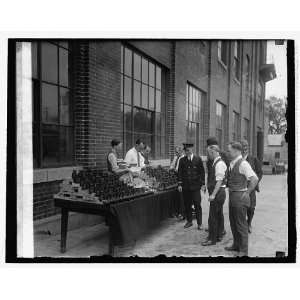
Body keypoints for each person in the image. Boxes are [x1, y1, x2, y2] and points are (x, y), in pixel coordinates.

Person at [225, 141, 258, 257]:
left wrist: (247, 192)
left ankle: (243, 251)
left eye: (229, 151)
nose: (228, 153)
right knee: (233, 223)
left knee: (241, 225)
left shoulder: (243, 164)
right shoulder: (232, 163)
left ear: (236, 151)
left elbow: (254, 179)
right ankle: (236, 245)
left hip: (240, 197)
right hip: (233, 196)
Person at [202, 144, 227, 246]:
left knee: (213, 217)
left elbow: (219, 181)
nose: (208, 155)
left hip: (218, 193)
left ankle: (212, 239)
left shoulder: (219, 164)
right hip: (218, 193)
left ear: (213, 152)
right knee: (217, 215)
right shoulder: (216, 162)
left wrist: (213, 195)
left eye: (208, 153)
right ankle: (218, 235)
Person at [178, 143, 206, 230]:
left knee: (197, 204)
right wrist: (179, 184)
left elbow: (202, 172)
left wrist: (203, 184)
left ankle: (199, 223)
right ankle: (189, 221)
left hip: (196, 187)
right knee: (187, 204)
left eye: (188, 150)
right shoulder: (182, 160)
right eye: (186, 151)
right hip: (186, 187)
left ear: (191, 150)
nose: (187, 152)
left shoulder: (198, 159)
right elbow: (180, 173)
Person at [240, 139, 263, 233]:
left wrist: (255, 183)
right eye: (243, 147)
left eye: (246, 146)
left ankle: (249, 223)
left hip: (251, 187)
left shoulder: (254, 159)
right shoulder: (238, 160)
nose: (245, 148)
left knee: (251, 208)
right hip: (241, 187)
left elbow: (259, 172)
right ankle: (242, 224)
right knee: (241, 207)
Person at [170, 146, 185, 220]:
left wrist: (175, 170)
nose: (176, 153)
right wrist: (171, 169)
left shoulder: (183, 158)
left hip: (180, 178)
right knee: (175, 195)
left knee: (181, 196)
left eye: (177, 152)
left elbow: (179, 170)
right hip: (174, 176)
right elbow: (172, 166)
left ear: (181, 152)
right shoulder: (176, 158)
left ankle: (181, 213)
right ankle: (175, 211)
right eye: (175, 152)